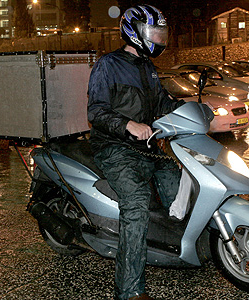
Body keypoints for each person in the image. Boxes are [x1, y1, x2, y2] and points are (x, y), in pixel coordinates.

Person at [87, 5, 184, 300]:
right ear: (136, 31)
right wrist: (128, 124)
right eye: (155, 32)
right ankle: (129, 291)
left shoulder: (147, 67)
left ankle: (183, 249)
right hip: (115, 148)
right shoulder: (108, 65)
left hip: (148, 147)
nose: (160, 38)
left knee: (180, 192)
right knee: (137, 204)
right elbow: (96, 111)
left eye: (161, 33)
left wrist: (192, 111)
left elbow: (163, 104)